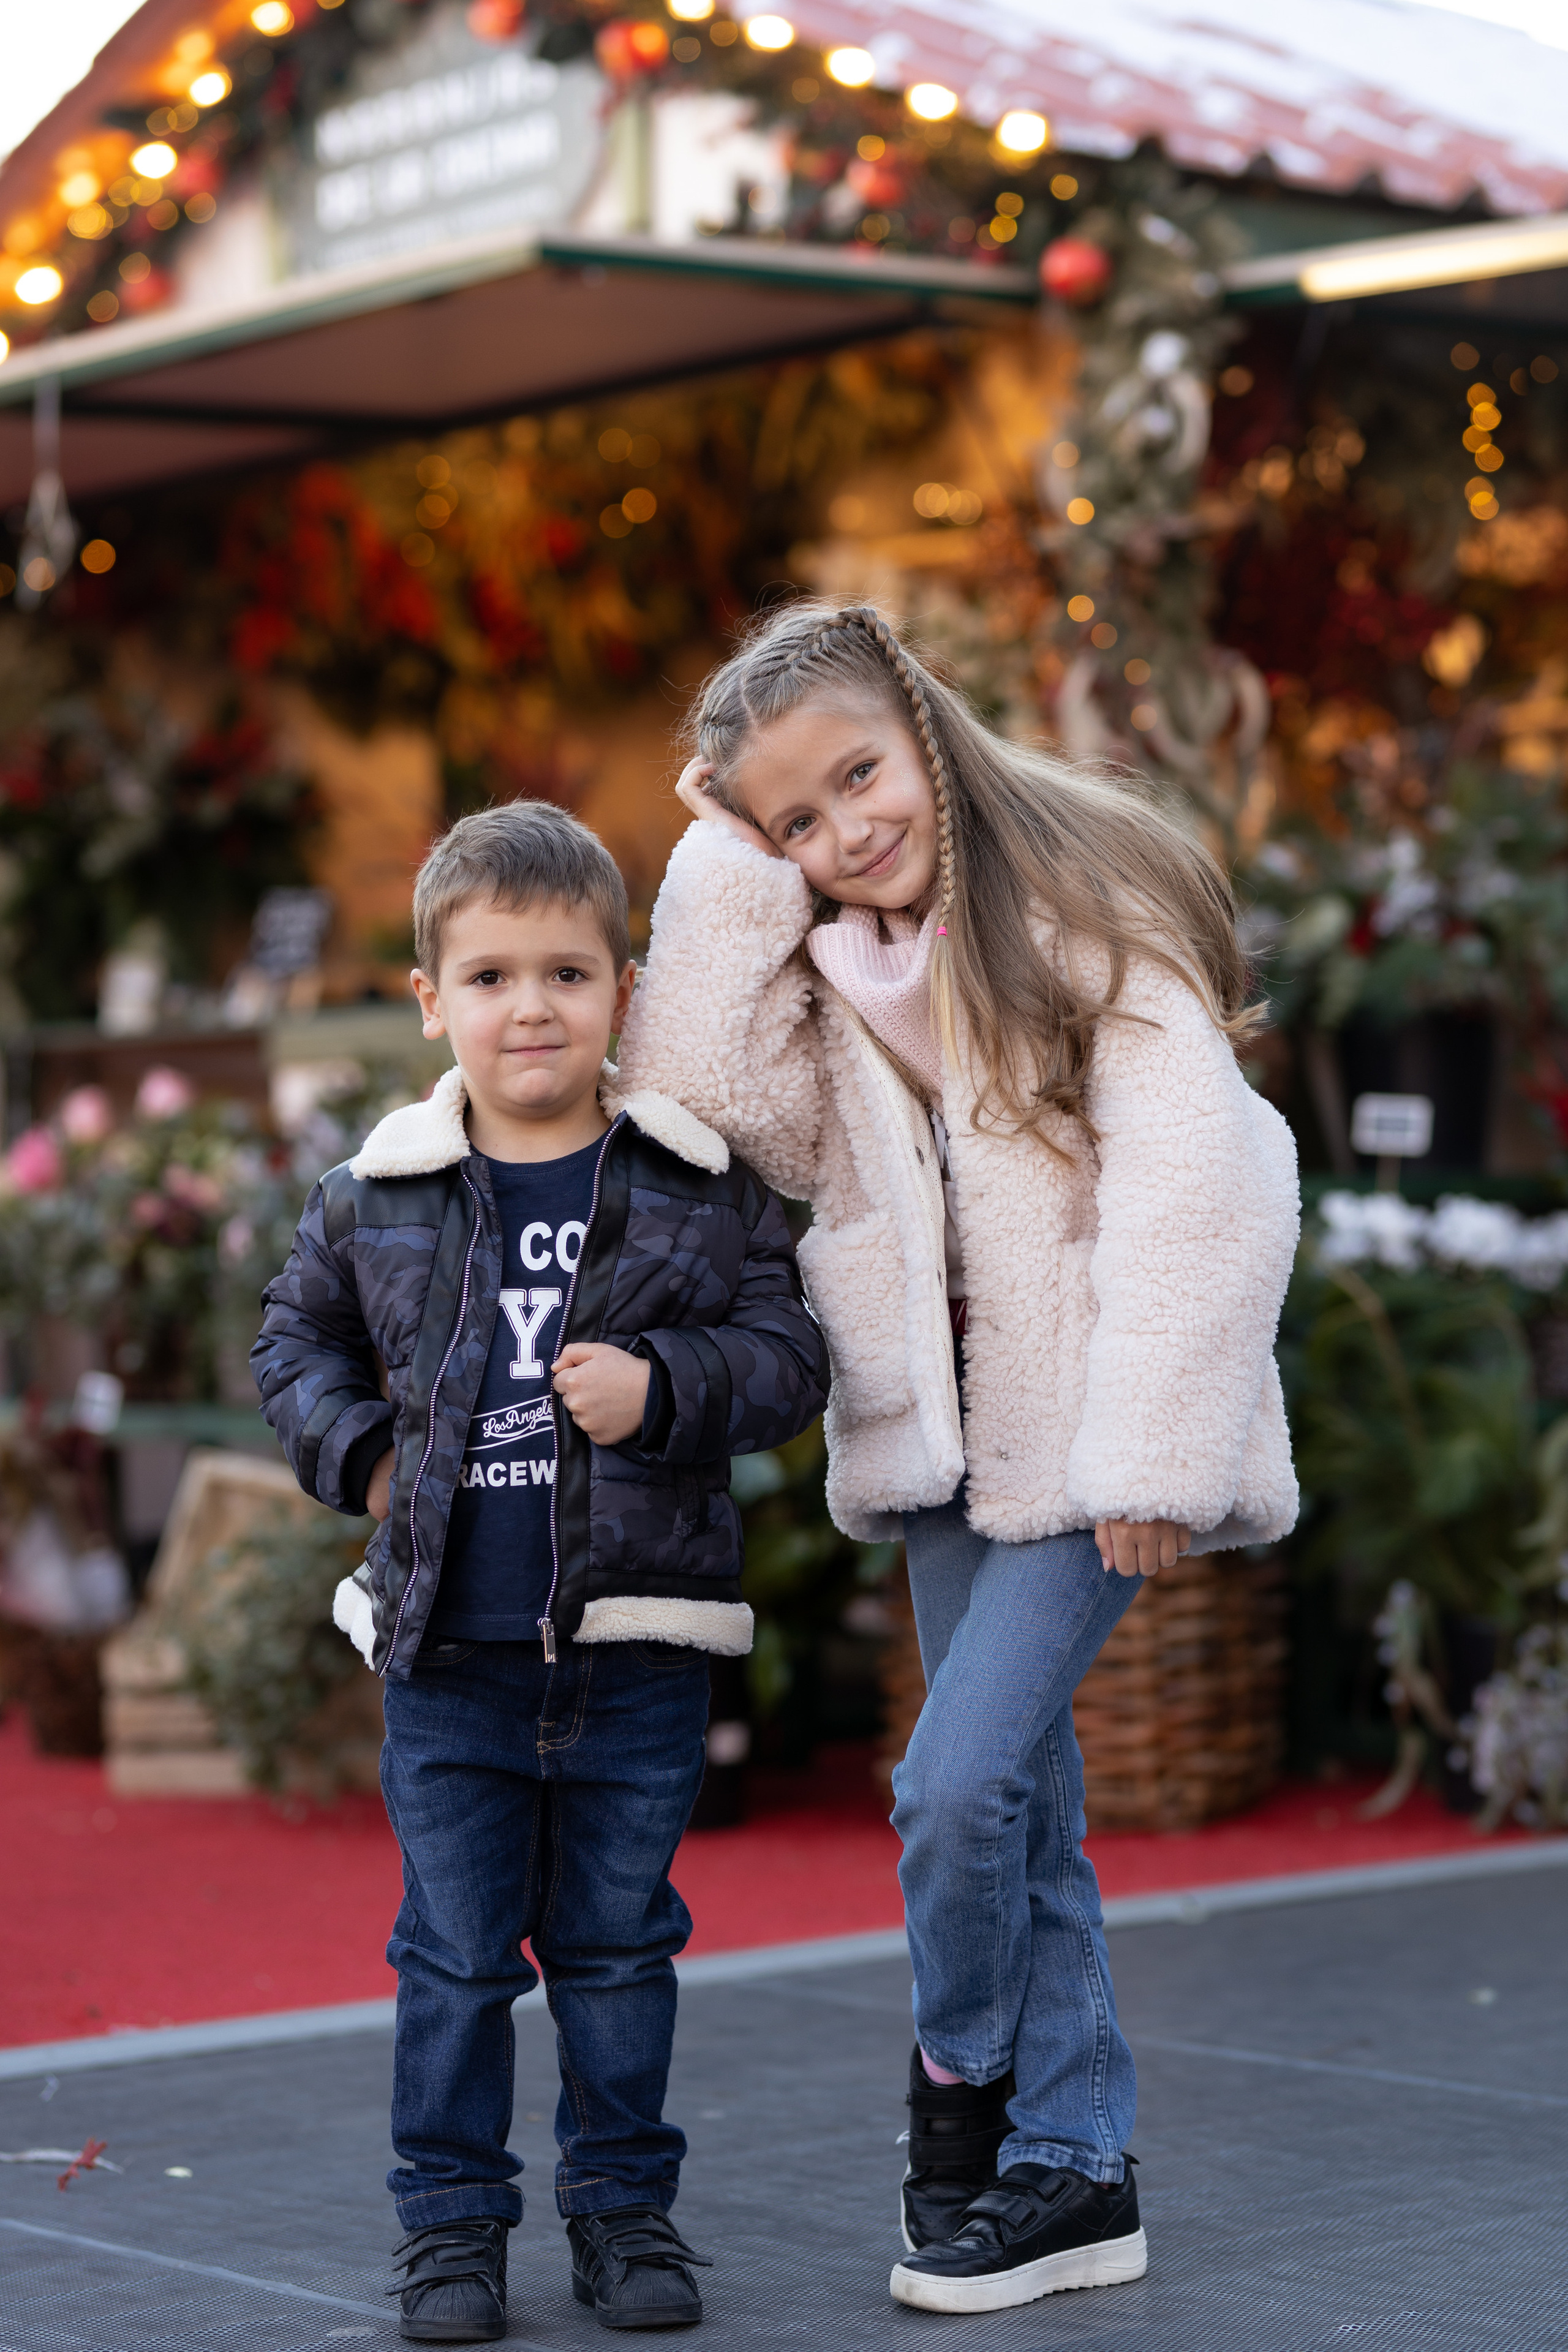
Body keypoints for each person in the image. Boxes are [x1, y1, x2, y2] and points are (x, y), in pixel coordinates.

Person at [613, 600, 1300, 2317]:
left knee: (956, 1786)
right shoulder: (836, 965)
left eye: (859, 773)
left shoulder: (1081, 911)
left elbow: (1203, 1181)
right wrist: (716, 872)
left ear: (921, 724)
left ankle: (958, 2101)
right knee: (1030, 1814)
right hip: (943, 1436)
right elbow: (717, 1110)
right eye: (794, 822)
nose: (848, 831)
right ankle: (1077, 2169)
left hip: (1091, 1438)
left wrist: (1153, 1447)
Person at [251, 801, 829, 2340]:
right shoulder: (376, 1195)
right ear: (432, 998)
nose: (532, 1007)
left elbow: (788, 1353)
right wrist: (364, 1458)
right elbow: (289, 1341)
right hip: (448, 1654)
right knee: (450, 1955)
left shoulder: (693, 1186)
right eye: (493, 976)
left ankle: (624, 2215)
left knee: (619, 1950)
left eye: (566, 974)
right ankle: (449, 2228)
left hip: (637, 1651)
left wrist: (666, 1385)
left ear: (620, 989)